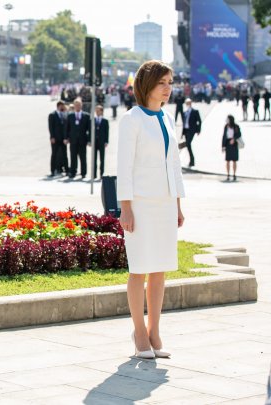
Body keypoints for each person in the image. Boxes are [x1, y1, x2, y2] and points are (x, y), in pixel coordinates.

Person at [117, 60, 185, 360]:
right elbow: (124, 167)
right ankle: (139, 332)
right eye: (162, 83)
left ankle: (155, 331)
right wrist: (126, 208)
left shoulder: (167, 119)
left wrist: (179, 205)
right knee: (139, 269)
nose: (168, 88)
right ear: (147, 85)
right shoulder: (132, 119)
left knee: (160, 269)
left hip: (166, 204)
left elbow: (175, 165)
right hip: (141, 205)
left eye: (170, 82)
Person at [65, 98, 91, 179]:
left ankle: (83, 173)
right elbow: (67, 128)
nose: (77, 106)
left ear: (81, 105)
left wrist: (89, 140)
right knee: (73, 157)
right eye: (76, 105)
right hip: (73, 140)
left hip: (83, 140)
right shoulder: (70, 116)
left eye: (79, 105)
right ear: (74, 106)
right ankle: (73, 172)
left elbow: (89, 129)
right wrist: (66, 138)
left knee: (83, 157)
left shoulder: (86, 116)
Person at [48, 101, 67, 176]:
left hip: (63, 139)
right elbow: (50, 127)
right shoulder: (52, 115)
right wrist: (52, 136)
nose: (63, 107)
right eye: (62, 106)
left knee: (64, 154)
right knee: (54, 154)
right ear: (59, 106)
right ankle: (53, 170)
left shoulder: (64, 115)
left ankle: (66, 169)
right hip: (55, 138)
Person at [181, 98, 202, 167]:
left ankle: (192, 160)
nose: (187, 104)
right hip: (186, 130)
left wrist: (198, 130)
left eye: (188, 103)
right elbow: (184, 123)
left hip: (192, 130)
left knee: (188, 143)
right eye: (186, 103)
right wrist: (182, 133)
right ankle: (191, 161)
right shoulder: (185, 112)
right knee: (188, 145)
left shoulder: (195, 111)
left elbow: (199, 121)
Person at [222, 114, 241, 181]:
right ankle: (228, 174)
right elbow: (224, 136)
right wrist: (223, 146)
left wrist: (234, 139)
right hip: (228, 144)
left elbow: (239, 134)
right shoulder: (226, 126)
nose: (226, 120)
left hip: (234, 144)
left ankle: (234, 174)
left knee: (234, 160)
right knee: (227, 160)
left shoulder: (236, 126)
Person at [91, 104, 109, 179]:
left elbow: (106, 132)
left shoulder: (105, 121)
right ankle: (94, 175)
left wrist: (106, 141)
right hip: (95, 142)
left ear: (102, 111)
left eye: (98, 111)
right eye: (96, 111)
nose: (97, 112)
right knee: (94, 159)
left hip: (102, 142)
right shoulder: (93, 120)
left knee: (102, 159)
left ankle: (102, 174)